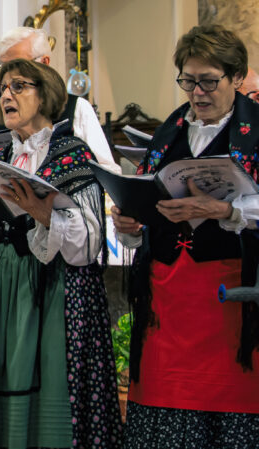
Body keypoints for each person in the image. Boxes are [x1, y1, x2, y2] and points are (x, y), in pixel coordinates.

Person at [0, 59, 121, 449]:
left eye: (18, 86)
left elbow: (88, 245)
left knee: (49, 400)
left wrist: (45, 216)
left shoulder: (74, 155)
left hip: (53, 296)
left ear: (46, 95)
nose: (6, 95)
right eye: (1, 89)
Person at [113, 24, 259, 448]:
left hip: (234, 302)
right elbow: (147, 203)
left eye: (209, 81)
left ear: (237, 77)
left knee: (232, 415)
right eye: (188, 81)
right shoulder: (169, 132)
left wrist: (227, 211)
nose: (198, 93)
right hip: (167, 303)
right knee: (165, 419)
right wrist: (132, 227)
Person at [0, 27, 120, 173]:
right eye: (3, 66)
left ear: (44, 63)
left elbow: (107, 173)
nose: (7, 73)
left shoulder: (77, 109)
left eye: (18, 65)